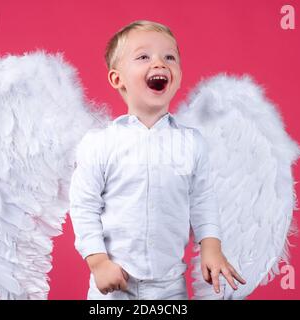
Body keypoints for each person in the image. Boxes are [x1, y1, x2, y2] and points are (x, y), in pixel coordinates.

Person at [69, 20, 246, 300]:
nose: (160, 63)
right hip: (114, 282)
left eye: (169, 57)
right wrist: (98, 261)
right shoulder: (99, 143)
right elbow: (84, 206)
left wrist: (211, 246)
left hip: (169, 285)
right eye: (143, 57)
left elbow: (202, 201)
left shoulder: (191, 143)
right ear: (117, 79)